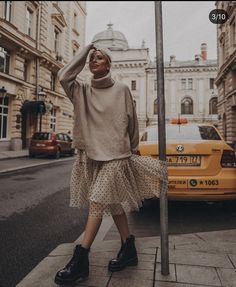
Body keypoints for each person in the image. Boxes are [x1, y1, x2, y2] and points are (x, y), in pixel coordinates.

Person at [54, 43, 168, 285]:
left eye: (98, 58)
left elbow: (132, 124)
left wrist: (133, 149)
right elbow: (63, 75)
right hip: (94, 155)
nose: (93, 61)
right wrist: (85, 50)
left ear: (108, 64)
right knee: (113, 203)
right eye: (91, 58)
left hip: (117, 155)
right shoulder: (81, 90)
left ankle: (81, 259)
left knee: (96, 201)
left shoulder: (123, 89)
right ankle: (129, 248)